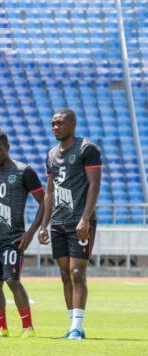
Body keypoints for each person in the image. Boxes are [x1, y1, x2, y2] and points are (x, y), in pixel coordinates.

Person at [38, 109, 102, 340]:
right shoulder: (51, 154)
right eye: (53, 124)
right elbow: (49, 192)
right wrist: (44, 225)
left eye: (60, 123)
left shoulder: (87, 149)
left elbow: (94, 185)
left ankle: (78, 327)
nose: (55, 127)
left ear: (72, 124)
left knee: (77, 273)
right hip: (58, 222)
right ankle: (72, 326)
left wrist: (86, 217)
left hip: (80, 222)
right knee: (65, 274)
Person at [0, 131, 45, 337]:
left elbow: (44, 201)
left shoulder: (24, 172)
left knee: (12, 281)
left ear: (7, 148)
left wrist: (31, 233)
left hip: (13, 237)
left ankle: (28, 328)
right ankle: (2, 328)